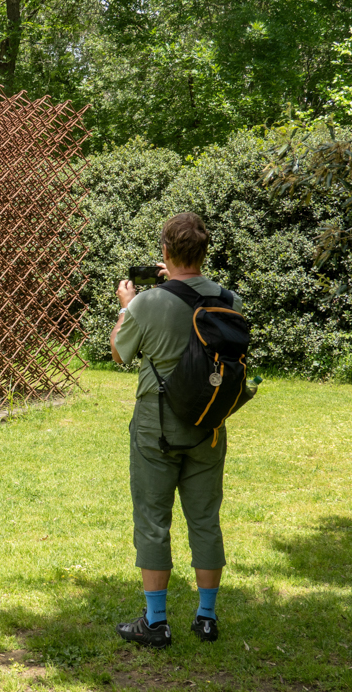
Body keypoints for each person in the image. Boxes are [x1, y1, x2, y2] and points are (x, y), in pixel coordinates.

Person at [109, 212, 242, 649]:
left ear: (165, 251)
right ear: (204, 251)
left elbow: (119, 354)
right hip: (209, 424)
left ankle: (156, 621)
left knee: (153, 520)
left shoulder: (147, 302)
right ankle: (206, 618)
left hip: (156, 426)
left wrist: (127, 306)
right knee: (205, 519)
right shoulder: (228, 299)